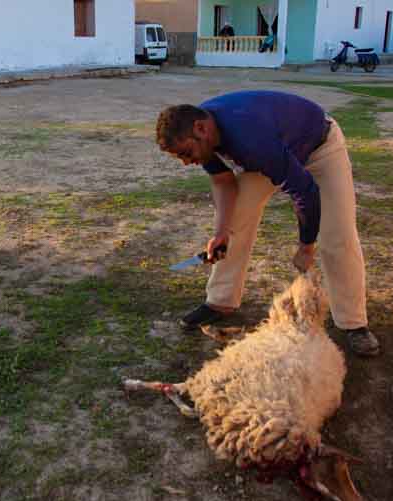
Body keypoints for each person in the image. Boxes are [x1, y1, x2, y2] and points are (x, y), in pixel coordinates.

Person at [155, 91, 380, 357]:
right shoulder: (200, 129)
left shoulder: (249, 136)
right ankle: (221, 302)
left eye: (186, 153)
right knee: (236, 220)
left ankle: (354, 323)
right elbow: (223, 181)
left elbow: (304, 191)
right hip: (277, 151)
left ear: (201, 129)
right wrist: (220, 233)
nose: (186, 162)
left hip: (321, 147)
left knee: (338, 233)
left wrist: (306, 247)